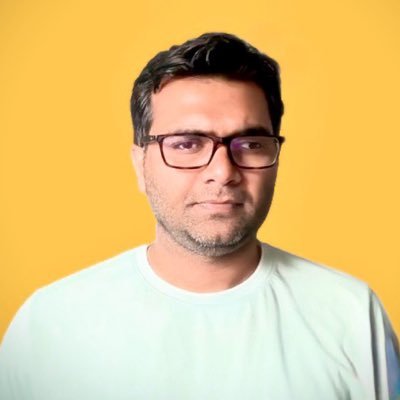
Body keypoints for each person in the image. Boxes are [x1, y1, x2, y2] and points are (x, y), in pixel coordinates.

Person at [0, 32, 399, 400]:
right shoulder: (50, 324)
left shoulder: (351, 315)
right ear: (140, 164)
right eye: (187, 144)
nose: (222, 172)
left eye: (251, 144)